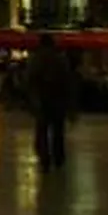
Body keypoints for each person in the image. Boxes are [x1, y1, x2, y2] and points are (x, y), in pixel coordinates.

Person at [27, 34, 74, 173]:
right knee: (58, 131)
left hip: (43, 99)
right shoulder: (61, 59)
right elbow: (68, 82)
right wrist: (70, 104)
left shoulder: (36, 58)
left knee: (42, 131)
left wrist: (33, 100)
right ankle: (58, 158)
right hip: (58, 100)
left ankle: (45, 159)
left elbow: (30, 80)